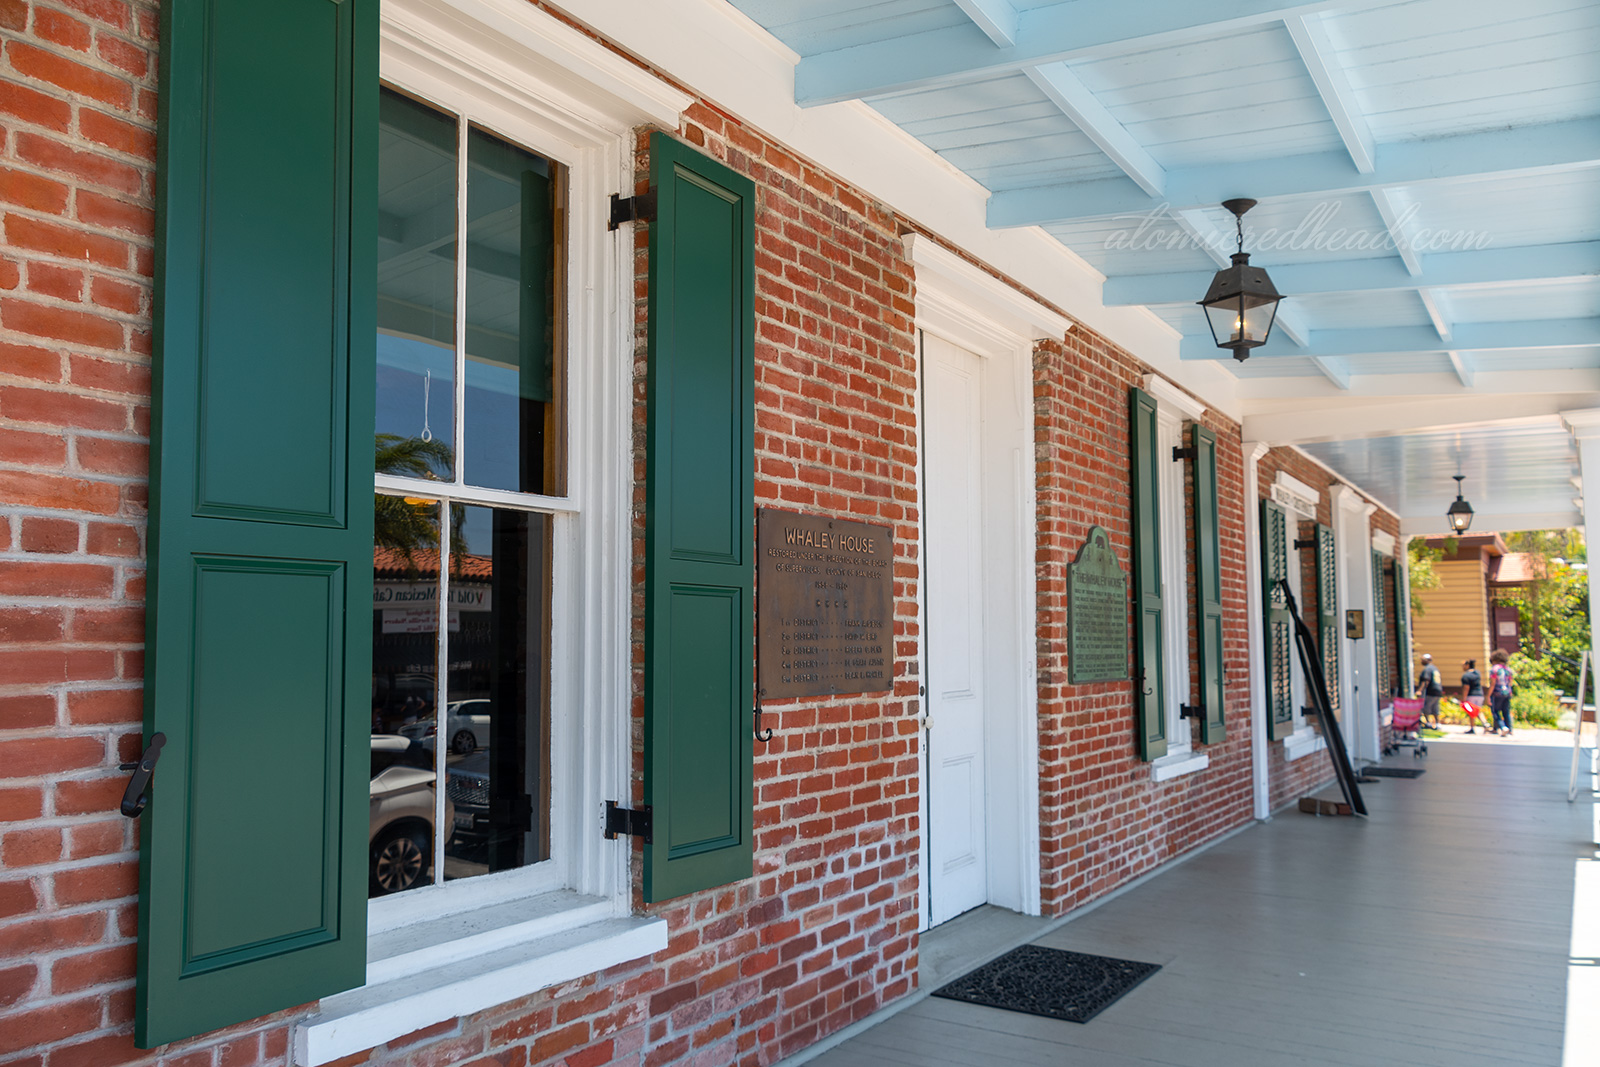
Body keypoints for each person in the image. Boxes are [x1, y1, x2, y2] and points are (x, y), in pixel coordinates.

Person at [1488, 649, 1515, 736]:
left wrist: (1488, 695)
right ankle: (1509, 729)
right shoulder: (1508, 670)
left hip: (1497, 692)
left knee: (1495, 711)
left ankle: (1503, 727)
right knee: (1506, 711)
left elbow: (1493, 683)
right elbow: (1510, 683)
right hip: (1507, 692)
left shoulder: (1494, 669)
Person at [1417, 653, 1444, 728]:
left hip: (1430, 691)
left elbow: (1426, 680)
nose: (1421, 661)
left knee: (1426, 707)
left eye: (1423, 660)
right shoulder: (1434, 668)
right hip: (1438, 690)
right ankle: (1437, 723)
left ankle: (1428, 723)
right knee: (1435, 707)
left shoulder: (1427, 669)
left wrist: (1420, 690)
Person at [1461, 659, 1485, 734]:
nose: (1462, 667)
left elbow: (1466, 688)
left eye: (1463, 665)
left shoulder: (1466, 676)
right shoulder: (1477, 673)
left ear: (1467, 665)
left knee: (1471, 712)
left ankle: (1472, 727)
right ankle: (1485, 724)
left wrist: (1464, 698)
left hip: (1471, 695)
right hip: (1480, 694)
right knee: (1477, 711)